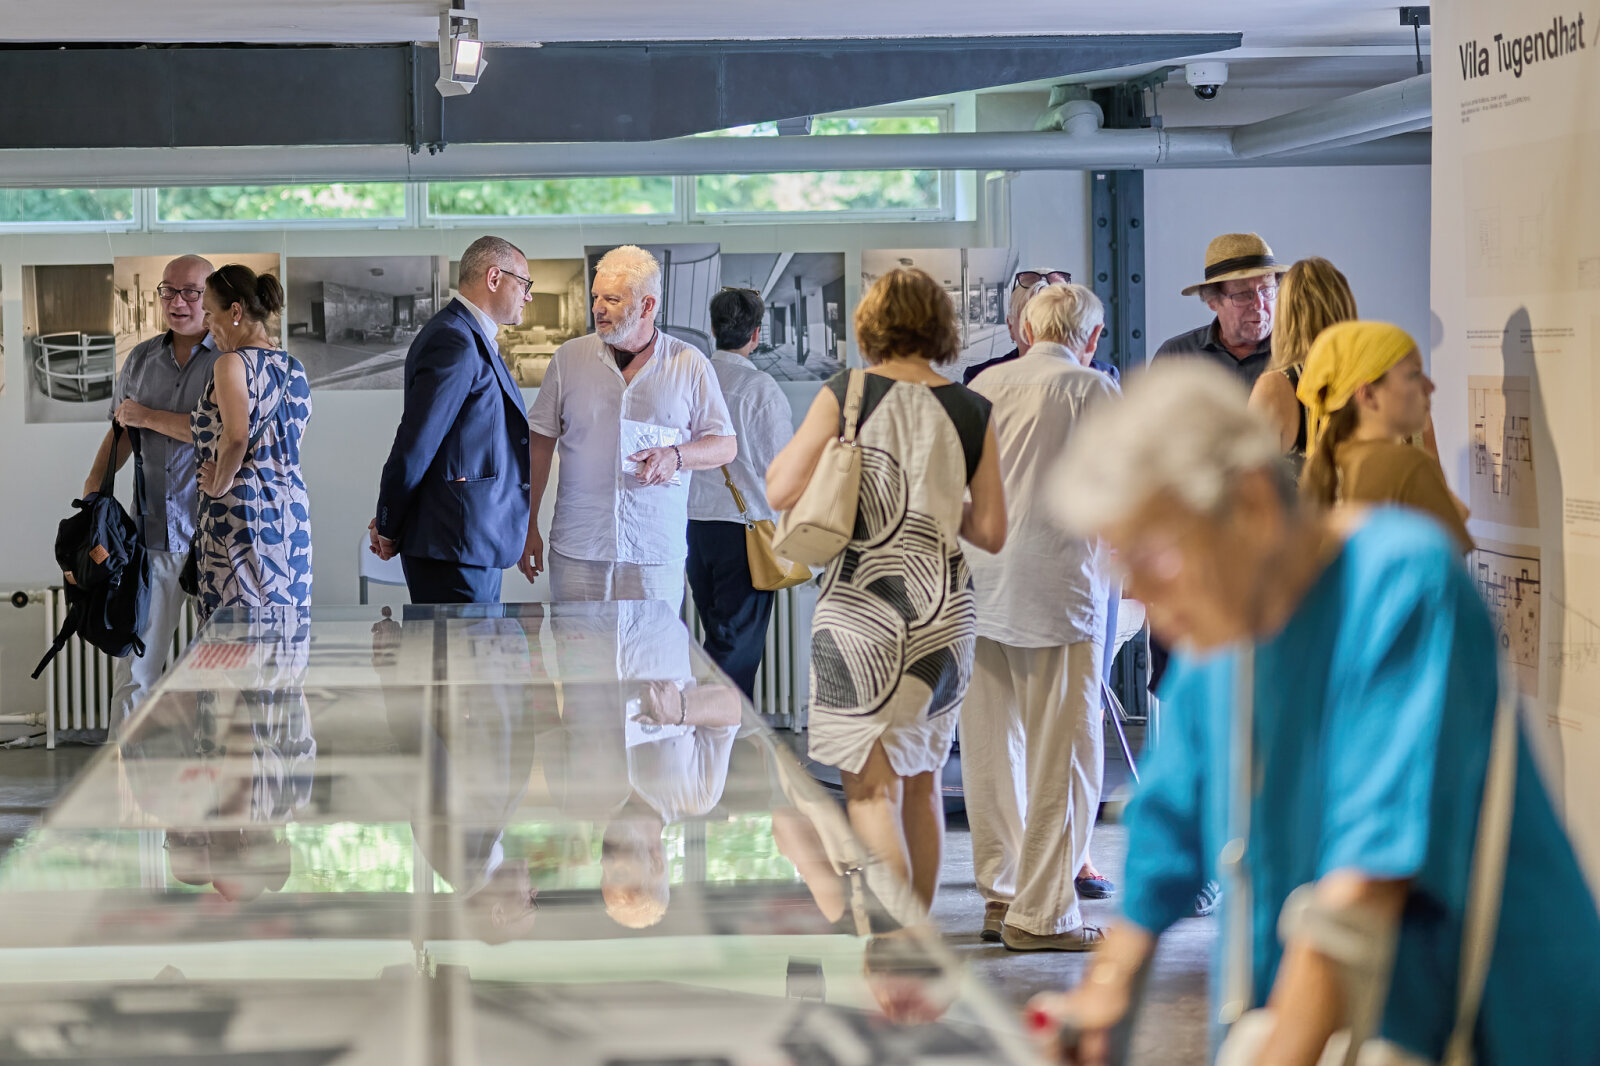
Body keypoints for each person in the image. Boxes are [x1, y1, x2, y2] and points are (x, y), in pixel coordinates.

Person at [1027, 362, 1600, 1065]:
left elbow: (1366, 880)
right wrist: (1109, 986)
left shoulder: (1402, 581)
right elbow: (1168, 826)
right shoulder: (1224, 636)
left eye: (1153, 553)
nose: (1138, 588)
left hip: (1495, 1018)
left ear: (1251, 504)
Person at [766, 266, 1006, 915]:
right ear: (941, 326)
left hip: (859, 611)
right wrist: (933, 504)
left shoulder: (848, 391)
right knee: (922, 786)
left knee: (872, 794)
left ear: (871, 324)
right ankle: (916, 942)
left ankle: (896, 946)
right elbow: (991, 530)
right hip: (944, 614)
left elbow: (779, 488)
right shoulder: (972, 408)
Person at [961, 285, 1119, 952]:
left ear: (1026, 331)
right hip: (1060, 589)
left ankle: (1001, 895)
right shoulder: (1091, 390)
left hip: (982, 586)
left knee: (991, 752)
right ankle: (1045, 914)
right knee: (1066, 756)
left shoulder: (982, 386)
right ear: (1092, 336)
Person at [521, 245, 736, 610]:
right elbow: (539, 444)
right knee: (577, 648)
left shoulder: (690, 364)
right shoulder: (569, 359)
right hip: (579, 549)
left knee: (654, 648)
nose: (597, 308)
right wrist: (528, 526)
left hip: (654, 552)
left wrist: (676, 456)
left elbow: (725, 445)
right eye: (596, 297)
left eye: (612, 299)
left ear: (647, 306)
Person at [80, 254, 219, 727]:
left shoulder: (230, 361)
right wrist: (92, 497)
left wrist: (147, 416)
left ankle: (216, 766)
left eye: (191, 292)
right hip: (151, 538)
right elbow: (120, 433)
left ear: (211, 297)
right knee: (136, 670)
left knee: (222, 670)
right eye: (168, 291)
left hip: (216, 542)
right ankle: (123, 769)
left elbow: (222, 433)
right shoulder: (140, 359)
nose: (177, 302)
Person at [371, 236, 535, 604]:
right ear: (494, 278)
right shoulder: (454, 339)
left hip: (469, 543)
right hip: (454, 547)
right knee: (460, 645)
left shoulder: (468, 335)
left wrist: (392, 519)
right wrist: (388, 523)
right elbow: (416, 444)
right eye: (524, 283)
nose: (528, 296)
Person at [685, 287, 796, 698]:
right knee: (735, 650)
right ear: (755, 334)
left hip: (695, 529)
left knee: (720, 639)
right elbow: (780, 469)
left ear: (713, 330)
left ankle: (712, 727)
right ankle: (714, 727)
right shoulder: (760, 388)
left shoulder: (692, 380)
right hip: (744, 534)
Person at [191, 264, 312, 621]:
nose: (206, 324)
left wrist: (219, 484)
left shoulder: (231, 364)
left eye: (209, 313)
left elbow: (237, 436)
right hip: (289, 515)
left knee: (235, 636)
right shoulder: (294, 368)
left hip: (242, 517)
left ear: (235, 311)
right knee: (285, 627)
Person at [1298, 320, 1473, 553]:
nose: (1430, 386)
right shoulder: (1409, 466)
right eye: (1413, 375)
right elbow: (1451, 563)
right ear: (1368, 394)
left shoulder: (1324, 466)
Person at [1247, 256, 1358, 468]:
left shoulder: (1275, 388)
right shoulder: (1374, 383)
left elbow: (1247, 478)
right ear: (1346, 308)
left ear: (1285, 316)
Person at [1152, 232, 1289, 388]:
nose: (1259, 305)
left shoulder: (1299, 352)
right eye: (1243, 294)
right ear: (1212, 301)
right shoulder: (1176, 356)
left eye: (1267, 291)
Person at [963, 271, 1121, 387]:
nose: (1047, 327)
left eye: (1060, 317)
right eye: (1034, 317)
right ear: (1012, 327)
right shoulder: (979, 377)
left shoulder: (1104, 375)